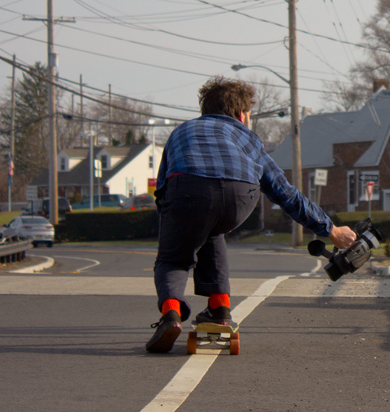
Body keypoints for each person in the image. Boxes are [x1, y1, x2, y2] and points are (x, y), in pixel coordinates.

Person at [146, 76, 357, 353]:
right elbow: (285, 192)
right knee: (214, 231)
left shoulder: (181, 132)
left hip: (188, 190)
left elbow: (162, 187)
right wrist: (330, 230)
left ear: (205, 111)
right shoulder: (249, 139)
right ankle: (219, 308)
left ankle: (171, 315)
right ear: (241, 115)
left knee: (173, 257)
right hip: (239, 197)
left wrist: (175, 226)